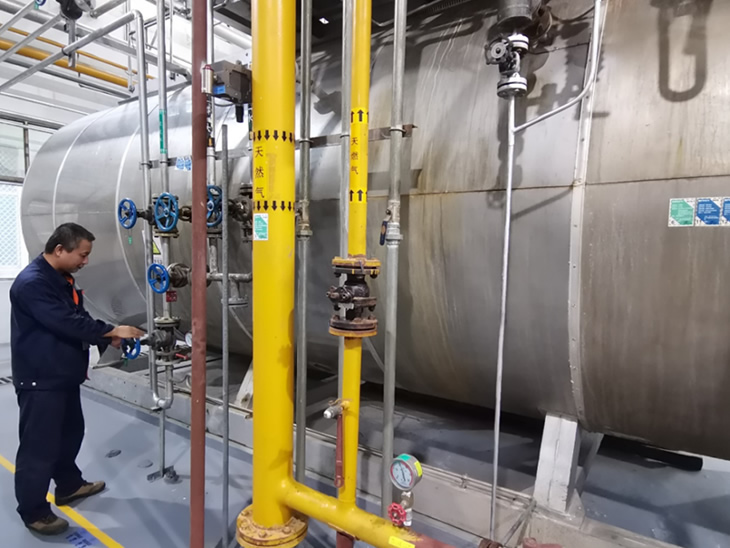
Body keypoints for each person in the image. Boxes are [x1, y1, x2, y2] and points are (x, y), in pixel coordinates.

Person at [10, 222, 144, 535]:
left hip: (62, 375)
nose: (86, 261)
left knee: (69, 434)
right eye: (82, 255)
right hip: (40, 378)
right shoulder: (32, 283)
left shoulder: (59, 278)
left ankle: (69, 485)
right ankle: (33, 511)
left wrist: (106, 336)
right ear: (60, 249)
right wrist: (111, 331)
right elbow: (65, 322)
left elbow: (78, 317)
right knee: (39, 447)